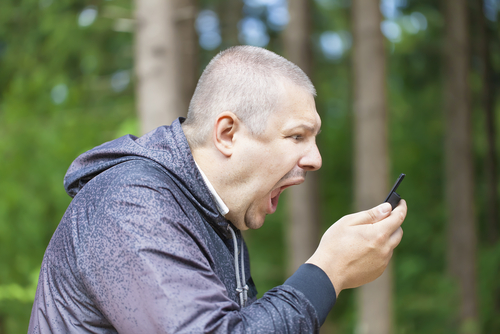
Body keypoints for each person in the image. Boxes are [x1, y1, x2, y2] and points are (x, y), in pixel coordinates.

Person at [29, 46, 406, 333]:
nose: (315, 159)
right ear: (227, 134)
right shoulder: (130, 203)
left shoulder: (211, 215)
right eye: (296, 136)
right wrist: (329, 271)